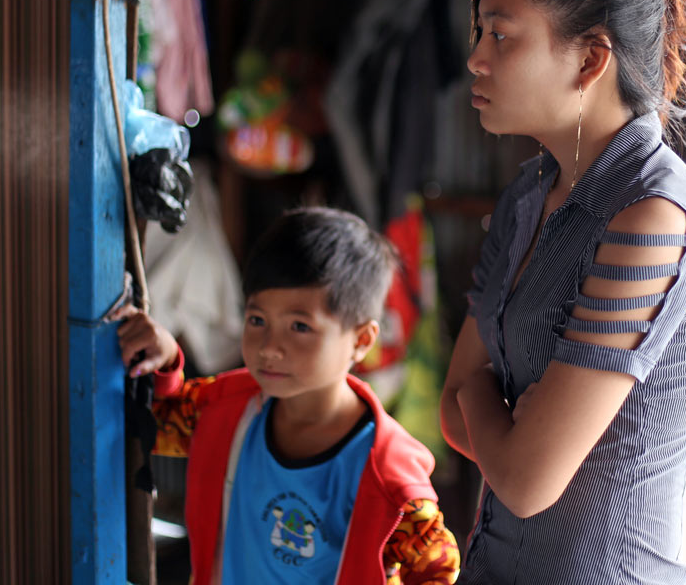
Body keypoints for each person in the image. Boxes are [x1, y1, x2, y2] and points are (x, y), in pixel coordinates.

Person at [439, 0, 686, 584]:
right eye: (481, 30)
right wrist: (503, 417)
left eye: (502, 36)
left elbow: (523, 480)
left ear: (590, 60)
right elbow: (451, 410)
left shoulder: (653, 219)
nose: (476, 58)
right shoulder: (527, 195)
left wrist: (496, 411)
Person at [117, 206, 460, 585]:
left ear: (361, 340)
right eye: (257, 320)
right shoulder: (224, 410)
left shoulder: (388, 479)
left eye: (300, 326)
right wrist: (163, 359)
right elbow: (153, 425)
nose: (269, 348)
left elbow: (437, 570)